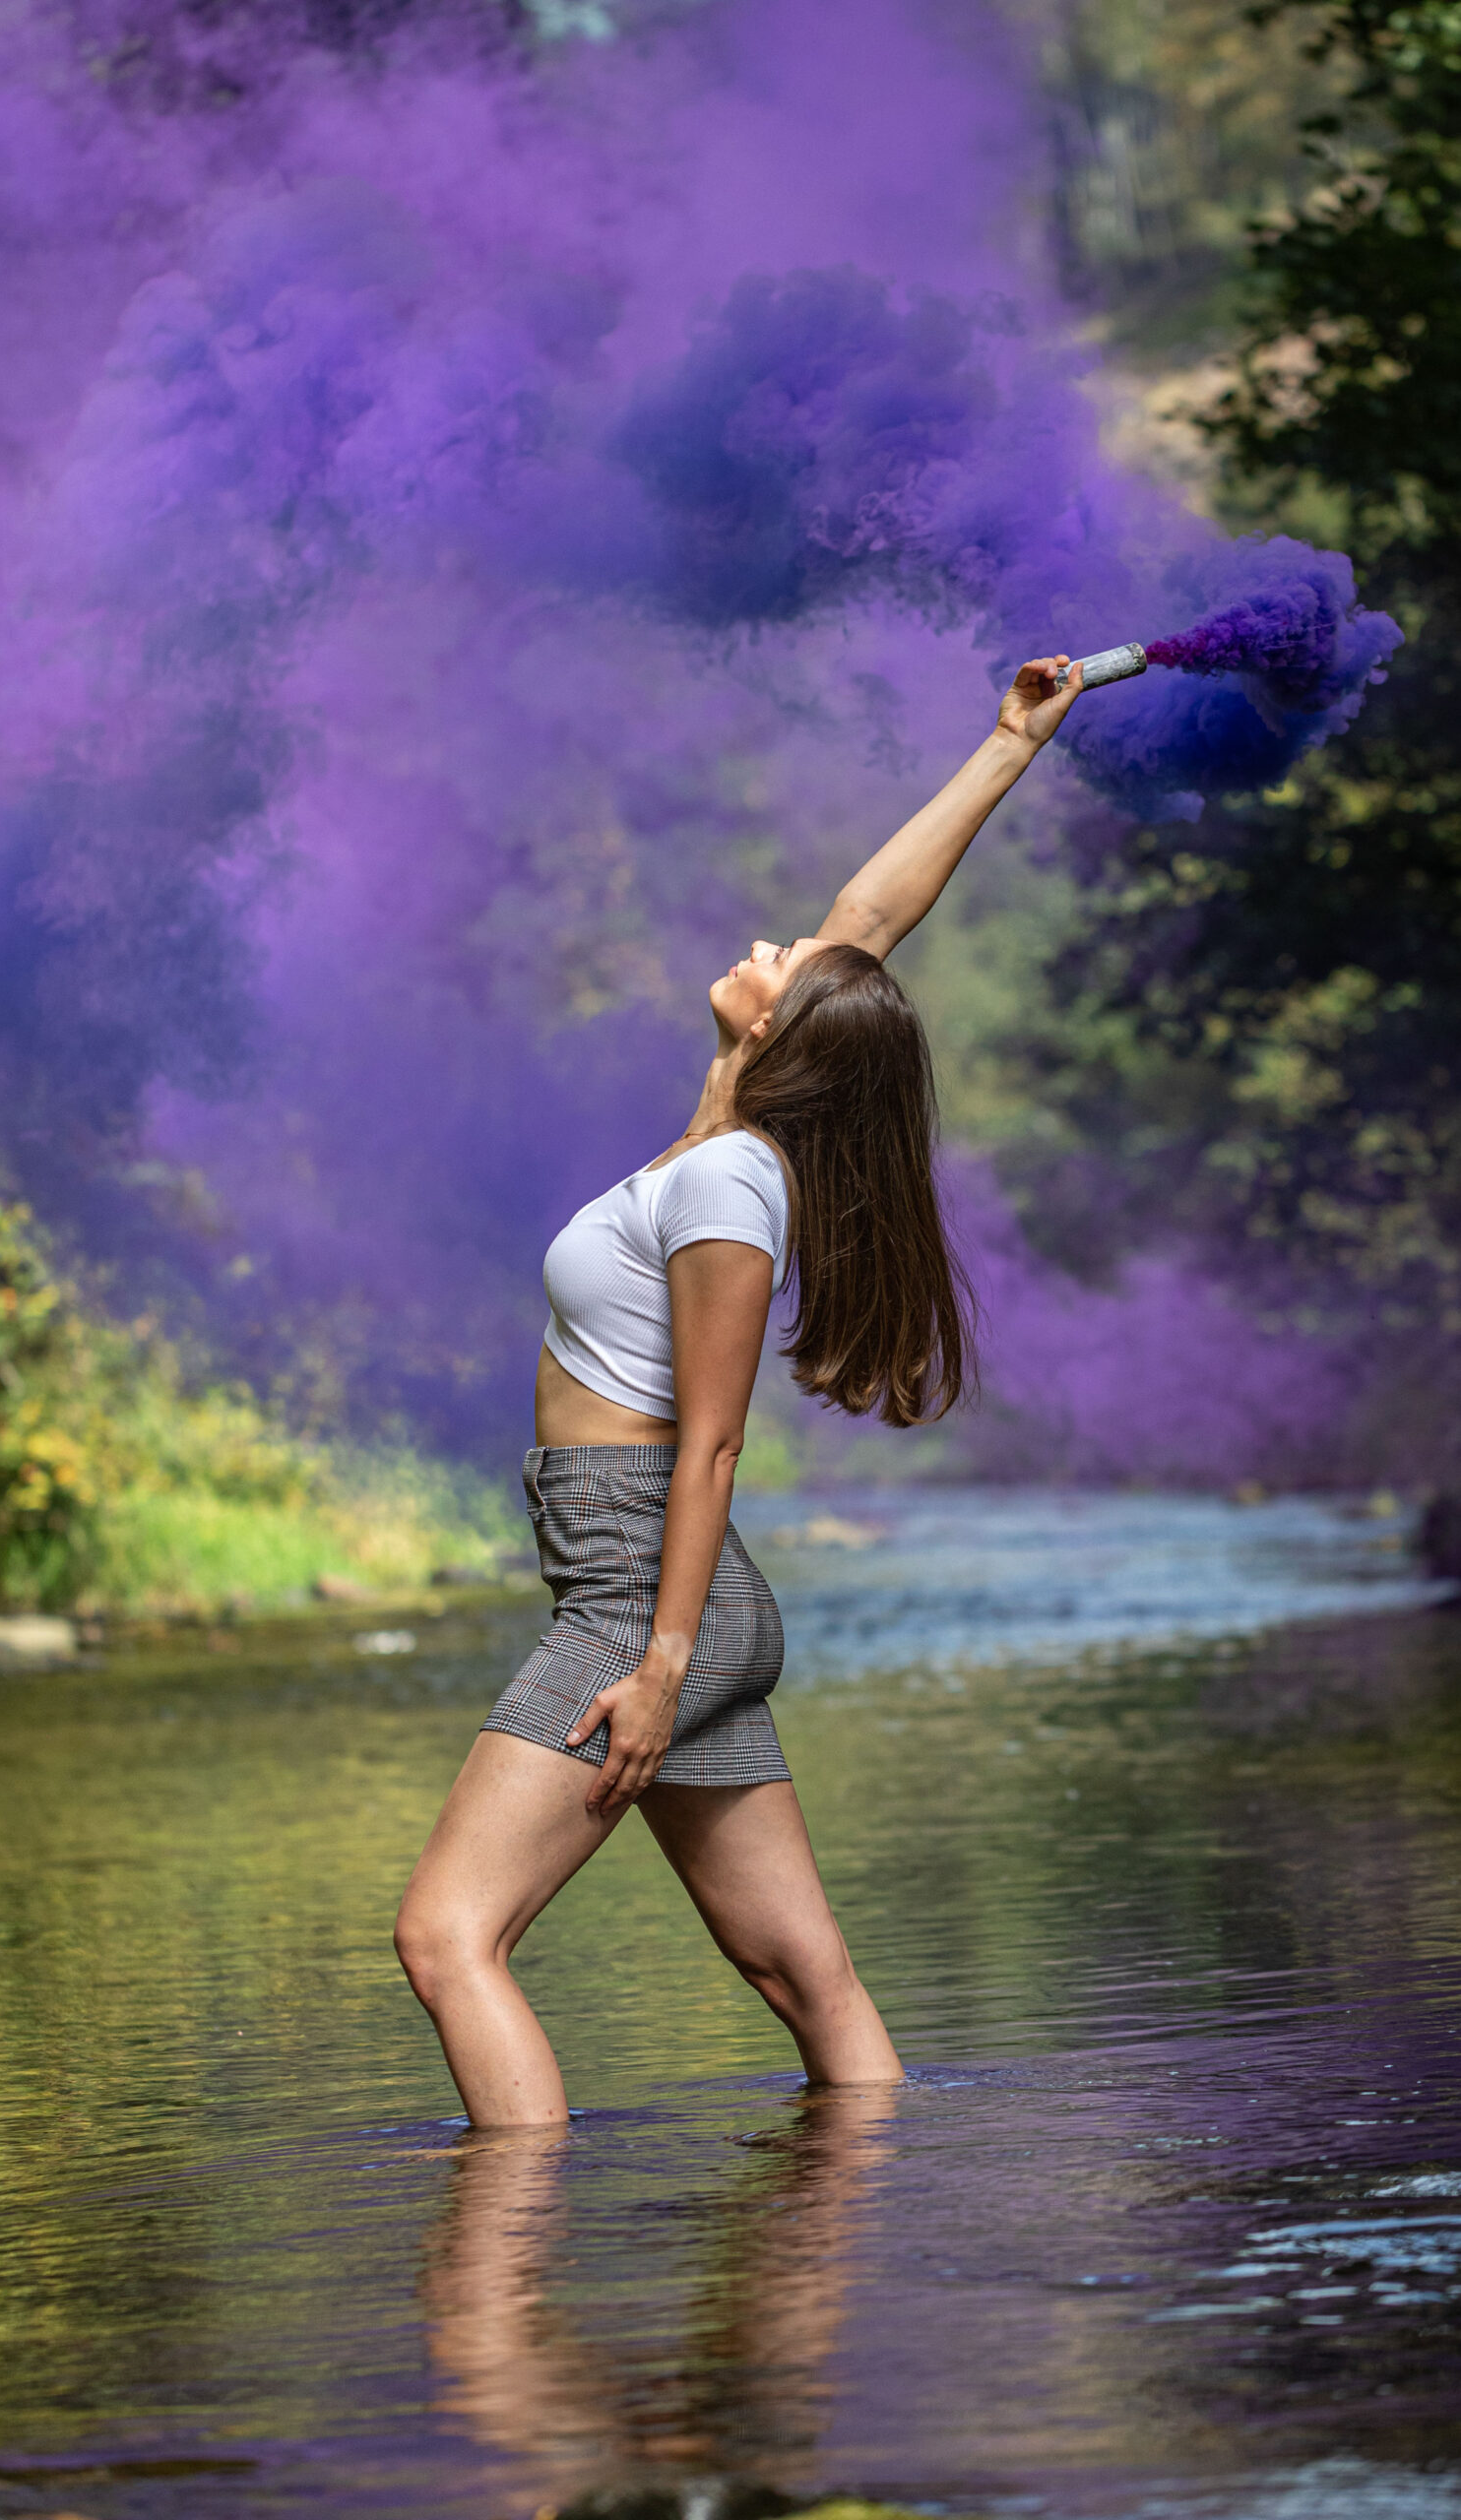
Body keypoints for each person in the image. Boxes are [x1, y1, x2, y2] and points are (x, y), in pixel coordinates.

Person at [396, 654, 1086, 2125]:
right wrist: (1007, 744)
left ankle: (506, 2304)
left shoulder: (724, 1183)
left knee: (449, 1938)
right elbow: (871, 918)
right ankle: (872, 2232)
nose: (782, 939)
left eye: (789, 965)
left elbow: (708, 1450)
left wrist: (653, 1660)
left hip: (643, 1591)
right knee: (801, 1975)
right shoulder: (720, 1136)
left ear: (782, 1039)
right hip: (655, 1585)